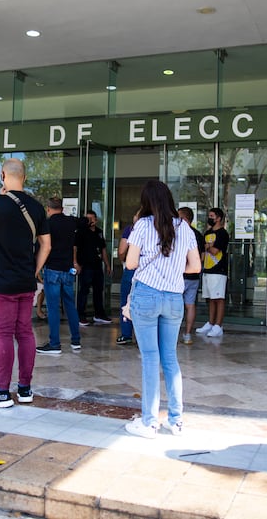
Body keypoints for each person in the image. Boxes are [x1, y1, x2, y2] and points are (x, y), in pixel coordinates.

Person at [0, 158, 50, 408]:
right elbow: (46, 245)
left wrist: (0, 196)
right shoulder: (37, 208)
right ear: (24, 178)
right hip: (26, 281)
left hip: (2, 280)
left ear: (3, 175)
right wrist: (34, 270)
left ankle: (1, 391)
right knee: (25, 332)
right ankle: (25, 389)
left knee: (4, 334)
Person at [124, 180, 201, 439]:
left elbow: (131, 262)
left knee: (150, 358)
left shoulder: (143, 226)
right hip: (173, 298)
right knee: (170, 358)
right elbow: (196, 267)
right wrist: (174, 268)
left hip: (146, 295)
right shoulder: (185, 227)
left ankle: (149, 423)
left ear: (147, 201)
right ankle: (176, 421)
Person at [37, 196, 81, 354]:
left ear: (48, 209)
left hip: (53, 269)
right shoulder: (71, 222)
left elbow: (42, 247)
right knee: (70, 305)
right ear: (62, 208)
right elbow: (84, 222)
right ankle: (76, 341)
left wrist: (37, 268)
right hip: (67, 270)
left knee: (53, 307)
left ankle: (54, 343)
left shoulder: (47, 224)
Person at [195, 207, 229, 338]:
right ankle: (210, 322)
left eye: (212, 215)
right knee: (210, 298)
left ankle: (218, 325)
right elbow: (204, 251)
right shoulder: (207, 233)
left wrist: (209, 247)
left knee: (218, 298)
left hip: (219, 270)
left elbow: (215, 251)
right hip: (207, 269)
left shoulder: (222, 234)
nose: (209, 218)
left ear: (219, 218)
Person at [76, 210, 112, 325]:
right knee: (84, 290)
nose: (90, 221)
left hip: (97, 265)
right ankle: (81, 315)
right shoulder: (81, 232)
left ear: (96, 220)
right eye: (87, 219)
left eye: (91, 219)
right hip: (85, 265)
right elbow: (74, 248)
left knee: (98, 290)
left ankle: (99, 314)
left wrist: (107, 264)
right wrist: (75, 263)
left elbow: (103, 249)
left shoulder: (99, 232)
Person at [177, 207, 205, 345]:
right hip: (194, 276)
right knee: (190, 305)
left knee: (175, 304)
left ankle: (172, 334)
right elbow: (202, 257)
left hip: (181, 276)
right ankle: (187, 335)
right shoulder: (198, 235)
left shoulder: (180, 233)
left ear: (184, 219)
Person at [116, 210, 140, 345]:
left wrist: (124, 261)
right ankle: (142, 336)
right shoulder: (157, 229)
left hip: (131, 269)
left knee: (126, 301)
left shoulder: (131, 230)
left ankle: (126, 334)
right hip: (147, 272)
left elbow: (121, 251)